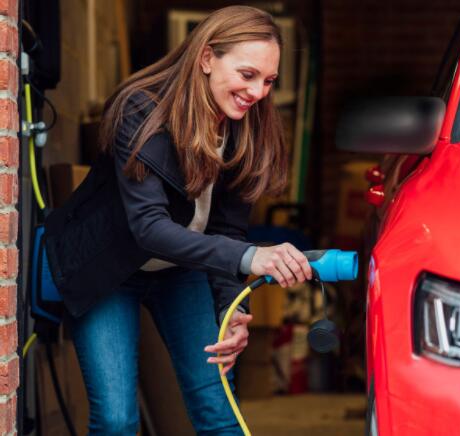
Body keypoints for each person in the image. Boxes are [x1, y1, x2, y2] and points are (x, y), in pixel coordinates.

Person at [44, 5, 312, 435]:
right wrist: (250, 258)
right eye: (247, 75)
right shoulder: (142, 111)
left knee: (218, 410)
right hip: (108, 268)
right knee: (116, 420)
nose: (259, 92)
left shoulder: (247, 126)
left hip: (180, 271)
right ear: (207, 58)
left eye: (269, 81)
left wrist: (231, 307)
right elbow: (148, 228)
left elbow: (227, 229)